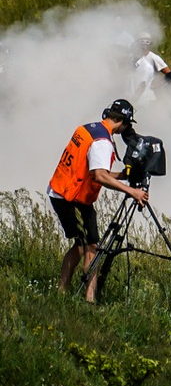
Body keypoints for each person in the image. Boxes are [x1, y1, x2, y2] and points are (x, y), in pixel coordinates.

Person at [47, 99, 149, 303]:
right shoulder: (103, 142)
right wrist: (132, 191)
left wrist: (121, 176)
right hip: (72, 197)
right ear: (123, 121)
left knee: (80, 245)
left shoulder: (88, 129)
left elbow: (92, 167)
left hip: (60, 190)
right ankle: (89, 299)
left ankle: (61, 291)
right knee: (91, 247)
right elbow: (99, 176)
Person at [129, 33, 168, 104]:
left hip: (147, 96)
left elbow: (169, 73)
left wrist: (159, 82)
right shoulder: (132, 58)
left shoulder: (153, 58)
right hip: (134, 91)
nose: (144, 45)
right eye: (142, 42)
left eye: (147, 42)